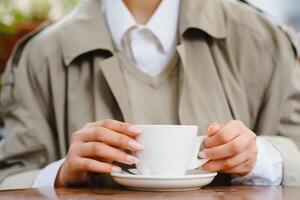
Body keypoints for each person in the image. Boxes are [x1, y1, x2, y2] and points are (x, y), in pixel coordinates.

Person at [0, 0, 300, 189]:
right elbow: (9, 180)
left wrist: (260, 158)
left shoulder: (262, 39)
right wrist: (60, 174)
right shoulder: (40, 56)